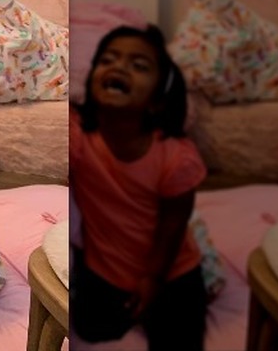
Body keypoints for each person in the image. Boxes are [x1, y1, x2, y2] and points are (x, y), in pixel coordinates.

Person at [69, 24, 207, 350]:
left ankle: (205, 267)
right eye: (108, 60)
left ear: (158, 100)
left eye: (139, 65)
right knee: (90, 329)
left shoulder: (176, 158)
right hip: (104, 268)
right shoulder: (78, 136)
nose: (118, 67)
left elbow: (173, 225)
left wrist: (153, 279)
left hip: (170, 270)